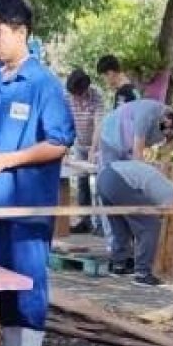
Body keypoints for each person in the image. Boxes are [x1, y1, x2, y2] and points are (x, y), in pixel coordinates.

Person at [0, 0, 74, 346]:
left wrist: (5, 160)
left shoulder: (44, 84)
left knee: (29, 275)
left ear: (21, 32)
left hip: (29, 201)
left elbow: (59, 142)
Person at [96, 158, 173, 287]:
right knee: (150, 226)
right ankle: (143, 274)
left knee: (121, 225)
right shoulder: (170, 193)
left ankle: (118, 265)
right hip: (119, 181)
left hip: (104, 177)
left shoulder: (162, 183)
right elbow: (159, 217)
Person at [97, 99, 173, 170]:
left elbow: (166, 155)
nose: (170, 138)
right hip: (111, 138)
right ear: (168, 122)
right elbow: (137, 153)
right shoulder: (147, 114)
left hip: (127, 147)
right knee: (110, 174)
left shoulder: (171, 126)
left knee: (127, 179)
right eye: (171, 134)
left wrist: (162, 176)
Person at [65, 68, 104, 232]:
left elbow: (98, 124)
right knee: (82, 183)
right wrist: (65, 147)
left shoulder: (96, 95)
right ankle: (85, 221)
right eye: (74, 94)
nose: (76, 98)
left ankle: (101, 225)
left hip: (97, 146)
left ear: (86, 89)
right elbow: (66, 124)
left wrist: (94, 149)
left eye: (78, 94)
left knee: (100, 185)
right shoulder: (67, 97)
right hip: (79, 144)